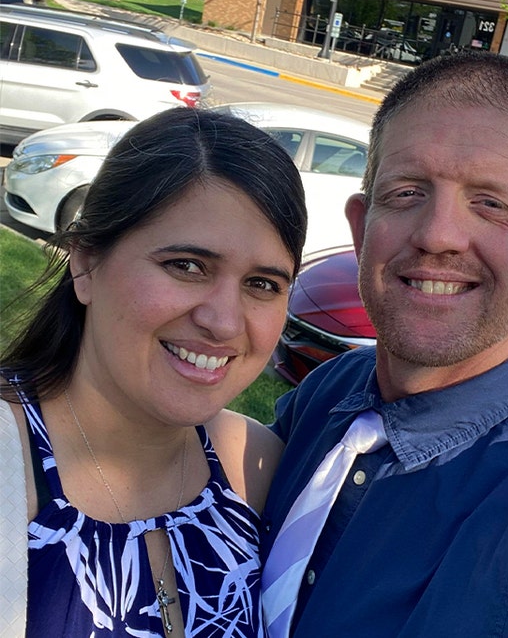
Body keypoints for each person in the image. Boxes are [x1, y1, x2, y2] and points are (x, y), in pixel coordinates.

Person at [260, 51, 508, 637]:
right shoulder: (329, 393)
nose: (438, 235)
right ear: (360, 229)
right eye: (407, 193)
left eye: (490, 203)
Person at [1, 107, 308, 637]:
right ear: (85, 261)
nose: (223, 321)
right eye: (186, 265)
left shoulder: (255, 468)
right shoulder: (10, 460)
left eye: (262, 284)